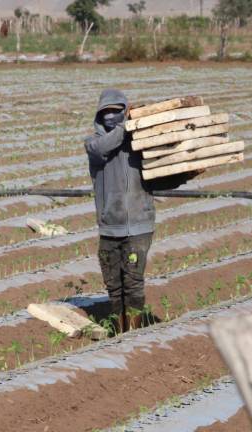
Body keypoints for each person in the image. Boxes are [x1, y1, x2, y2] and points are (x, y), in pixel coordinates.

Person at [84, 89, 201, 333]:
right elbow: (106, 145)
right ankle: (119, 331)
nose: (110, 116)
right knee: (113, 284)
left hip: (139, 226)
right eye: (106, 112)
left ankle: (133, 333)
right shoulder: (94, 145)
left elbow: (155, 181)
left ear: (123, 111)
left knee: (133, 283)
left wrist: (186, 173)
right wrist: (127, 124)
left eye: (116, 111)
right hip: (109, 226)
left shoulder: (140, 146)